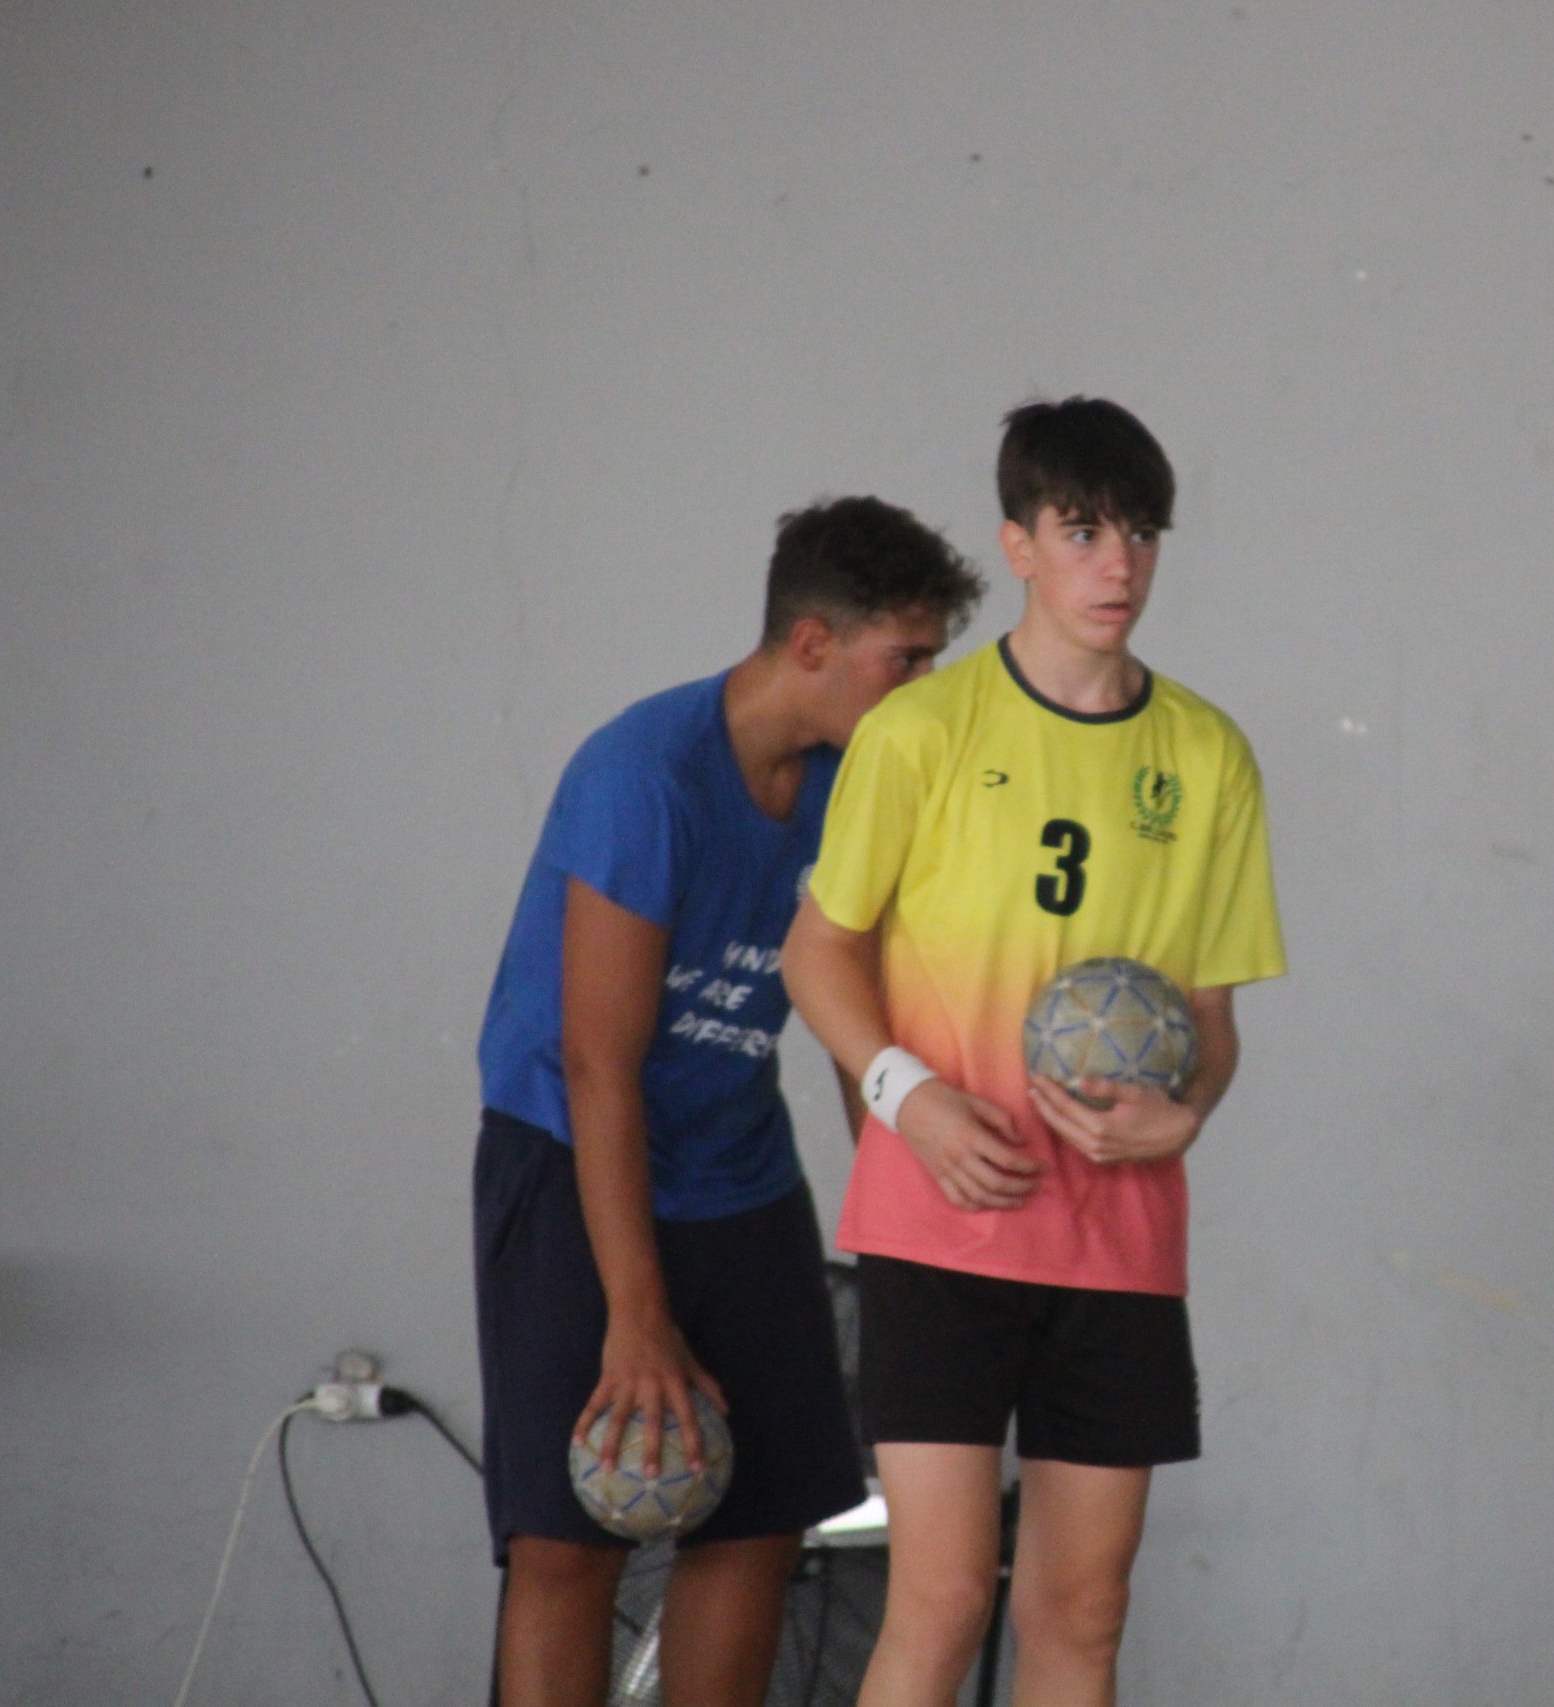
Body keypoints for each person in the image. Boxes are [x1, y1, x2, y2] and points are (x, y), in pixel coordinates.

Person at [780, 397, 1286, 1707]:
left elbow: (1212, 1019)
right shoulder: (920, 732)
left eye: (1142, 534)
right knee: (943, 1596)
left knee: (1082, 1608)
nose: (1119, 564)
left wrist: (1187, 1113)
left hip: (1117, 1235)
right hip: (943, 1219)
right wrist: (912, 1099)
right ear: (1017, 544)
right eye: (1082, 532)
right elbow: (816, 951)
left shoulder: (1207, 753)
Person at [472, 496, 983, 1707]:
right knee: (571, 1537)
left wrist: (905, 1225)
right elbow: (598, 1065)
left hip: (740, 1174)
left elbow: (855, 1018)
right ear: (812, 644)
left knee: (759, 1519)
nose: (922, 689)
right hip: (572, 1160)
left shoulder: (852, 784)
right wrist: (637, 1316)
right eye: (904, 660)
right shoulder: (645, 775)